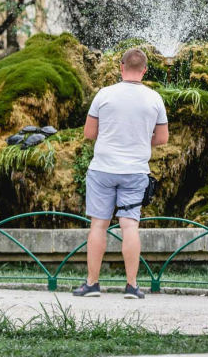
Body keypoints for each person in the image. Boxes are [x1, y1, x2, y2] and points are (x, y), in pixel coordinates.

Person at [72, 48, 169, 299]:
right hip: (135, 171)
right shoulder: (154, 98)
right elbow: (162, 138)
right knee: (129, 226)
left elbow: (89, 133)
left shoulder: (104, 95)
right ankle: (132, 286)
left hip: (102, 169)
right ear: (145, 70)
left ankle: (92, 284)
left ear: (121, 66)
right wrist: (138, 138)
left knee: (98, 226)